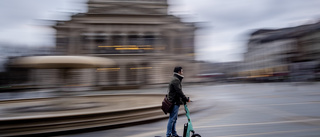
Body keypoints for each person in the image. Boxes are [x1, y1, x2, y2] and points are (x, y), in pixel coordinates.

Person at [166, 66, 189, 137]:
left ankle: (174, 134)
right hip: (174, 102)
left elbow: (176, 92)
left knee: (174, 119)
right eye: (182, 71)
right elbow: (179, 91)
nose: (182, 72)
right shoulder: (176, 80)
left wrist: (183, 99)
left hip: (175, 101)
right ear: (179, 72)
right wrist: (185, 98)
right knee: (172, 119)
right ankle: (168, 134)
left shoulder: (175, 79)